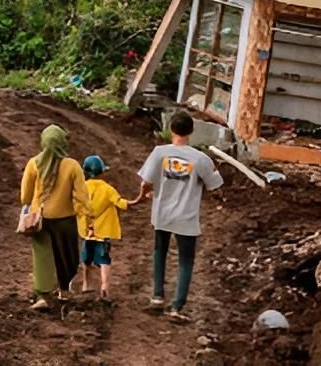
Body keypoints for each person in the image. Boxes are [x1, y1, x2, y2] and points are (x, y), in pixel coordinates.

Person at [137, 110, 223, 322]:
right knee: (186, 260)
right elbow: (214, 185)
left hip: (162, 214)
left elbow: (145, 182)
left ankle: (157, 297)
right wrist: (215, 169)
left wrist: (143, 196)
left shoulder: (159, 153)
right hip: (186, 217)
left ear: (170, 129)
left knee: (160, 252)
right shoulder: (200, 158)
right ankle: (177, 306)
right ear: (191, 131)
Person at [19, 123, 90, 310]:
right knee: (67, 255)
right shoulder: (72, 165)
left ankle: (42, 295)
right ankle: (64, 289)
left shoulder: (33, 164)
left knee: (42, 256)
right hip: (65, 220)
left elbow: (24, 197)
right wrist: (88, 216)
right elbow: (82, 196)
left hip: (40, 220)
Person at [76, 154, 140, 302]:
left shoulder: (81, 189)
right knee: (104, 259)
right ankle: (104, 286)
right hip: (103, 232)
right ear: (102, 172)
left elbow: (75, 206)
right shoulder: (108, 189)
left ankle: (86, 284)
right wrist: (139, 199)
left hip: (86, 232)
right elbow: (122, 203)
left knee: (86, 259)